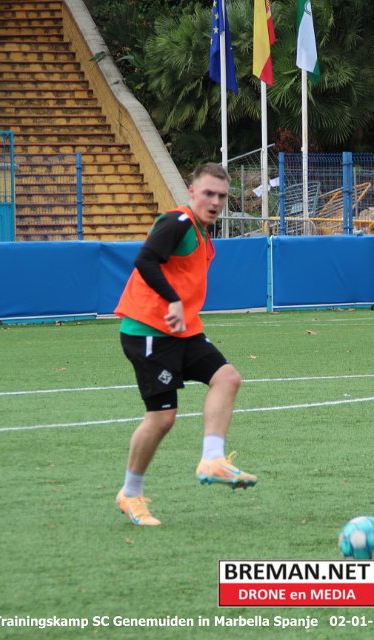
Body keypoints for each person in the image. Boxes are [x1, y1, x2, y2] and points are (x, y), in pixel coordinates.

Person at [114, 162, 256, 526]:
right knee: (162, 418)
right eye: (208, 193)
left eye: (221, 196)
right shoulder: (177, 222)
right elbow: (146, 260)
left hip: (183, 331)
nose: (215, 201)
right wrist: (173, 300)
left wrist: (180, 308)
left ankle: (212, 459)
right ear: (192, 192)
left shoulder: (203, 234)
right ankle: (130, 493)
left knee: (227, 378)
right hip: (148, 331)